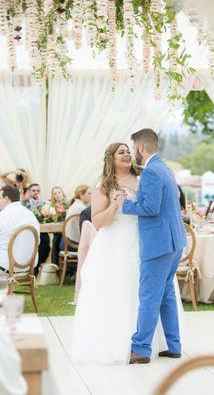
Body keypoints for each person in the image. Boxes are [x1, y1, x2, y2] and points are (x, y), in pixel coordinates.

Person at [70, 141, 184, 364]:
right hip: (114, 244)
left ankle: (152, 343)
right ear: (111, 158)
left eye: (128, 151)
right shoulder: (103, 186)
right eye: (121, 152)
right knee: (120, 290)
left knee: (149, 293)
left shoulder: (144, 177)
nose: (126, 155)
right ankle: (123, 343)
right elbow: (98, 223)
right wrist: (114, 206)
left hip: (145, 241)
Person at [118, 128, 187, 364]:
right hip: (173, 242)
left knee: (148, 296)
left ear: (139, 147)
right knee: (166, 294)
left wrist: (125, 205)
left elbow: (150, 208)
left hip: (159, 245)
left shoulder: (150, 173)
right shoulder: (164, 168)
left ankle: (141, 349)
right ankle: (174, 345)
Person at [0, 185, 40, 277]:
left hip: (6, 266)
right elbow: (38, 242)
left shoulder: (3, 216)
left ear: (6, 199)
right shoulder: (31, 215)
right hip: (28, 266)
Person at [22, 183, 50, 274]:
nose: (36, 192)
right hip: (28, 231)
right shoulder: (23, 204)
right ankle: (29, 269)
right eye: (34, 190)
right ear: (29, 192)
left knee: (46, 247)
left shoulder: (43, 204)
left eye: (38, 190)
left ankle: (36, 268)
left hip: (42, 230)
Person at [49, 186, 68, 265]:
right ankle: (55, 265)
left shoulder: (68, 204)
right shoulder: (52, 207)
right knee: (56, 238)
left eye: (59, 192)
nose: (57, 195)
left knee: (59, 237)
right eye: (55, 193)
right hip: (58, 231)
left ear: (63, 194)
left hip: (67, 231)